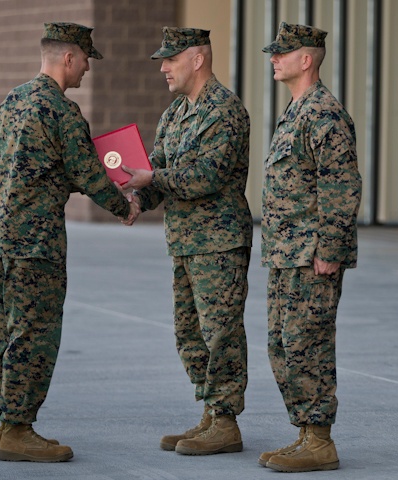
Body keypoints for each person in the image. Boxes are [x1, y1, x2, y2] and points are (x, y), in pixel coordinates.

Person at [0, 22, 140, 463]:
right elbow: (89, 174)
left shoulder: (13, 100)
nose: (88, 69)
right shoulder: (60, 110)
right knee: (35, 334)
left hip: (2, 236)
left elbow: (22, 169)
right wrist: (124, 206)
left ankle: (8, 424)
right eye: (86, 59)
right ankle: (18, 431)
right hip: (36, 242)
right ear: (68, 57)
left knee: (7, 331)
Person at [123, 27, 252, 456]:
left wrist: (153, 178)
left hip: (218, 243)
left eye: (171, 59)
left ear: (197, 59)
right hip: (183, 241)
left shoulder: (225, 110)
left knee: (221, 334)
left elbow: (205, 176)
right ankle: (211, 413)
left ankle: (227, 421)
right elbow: (157, 169)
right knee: (189, 333)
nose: (163, 67)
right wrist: (137, 199)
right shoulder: (175, 113)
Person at [258, 22, 362, 473]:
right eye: (273, 53)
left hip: (311, 255)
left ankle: (320, 439)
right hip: (286, 253)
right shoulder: (296, 111)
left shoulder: (325, 114)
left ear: (307, 59)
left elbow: (341, 186)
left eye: (283, 53)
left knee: (308, 343)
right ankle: (305, 433)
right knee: (283, 344)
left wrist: (331, 249)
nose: (274, 59)